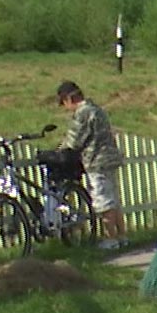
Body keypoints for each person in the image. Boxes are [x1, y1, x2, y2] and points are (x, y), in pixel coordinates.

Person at [54, 81, 125, 249]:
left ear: (69, 98)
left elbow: (74, 140)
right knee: (114, 200)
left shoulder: (83, 113)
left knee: (103, 202)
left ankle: (111, 239)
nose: (66, 108)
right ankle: (122, 236)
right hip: (109, 158)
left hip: (96, 161)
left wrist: (59, 149)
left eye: (64, 103)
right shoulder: (96, 109)